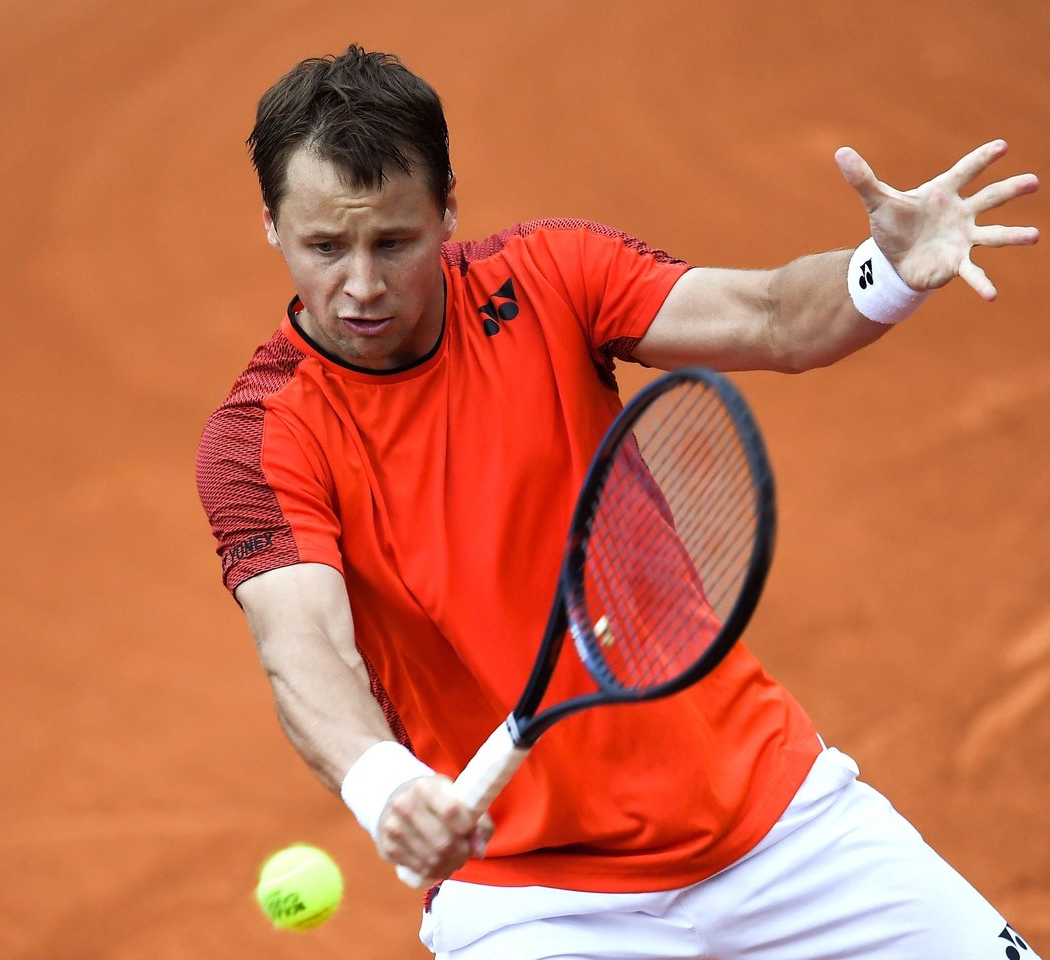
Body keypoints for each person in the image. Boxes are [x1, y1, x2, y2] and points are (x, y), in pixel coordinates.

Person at [195, 44, 1040, 960]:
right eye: (325, 247)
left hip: (773, 817)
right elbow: (305, 645)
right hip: (526, 900)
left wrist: (883, 268)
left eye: (393, 242)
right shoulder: (259, 437)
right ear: (272, 226)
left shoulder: (550, 276)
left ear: (447, 210)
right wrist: (383, 784)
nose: (361, 285)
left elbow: (768, 316)